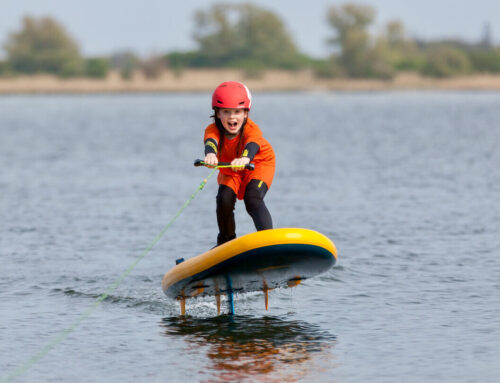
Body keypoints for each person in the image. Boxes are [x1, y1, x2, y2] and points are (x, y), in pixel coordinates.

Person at [203, 81, 275, 246]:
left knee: (252, 198)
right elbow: (210, 143)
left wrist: (245, 158)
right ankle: (226, 242)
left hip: (259, 163)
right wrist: (211, 155)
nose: (232, 117)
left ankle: (269, 241)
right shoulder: (212, 129)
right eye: (226, 112)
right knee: (224, 198)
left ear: (245, 114)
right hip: (232, 168)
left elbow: (252, 145)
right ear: (218, 113)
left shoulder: (252, 129)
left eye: (237, 112)